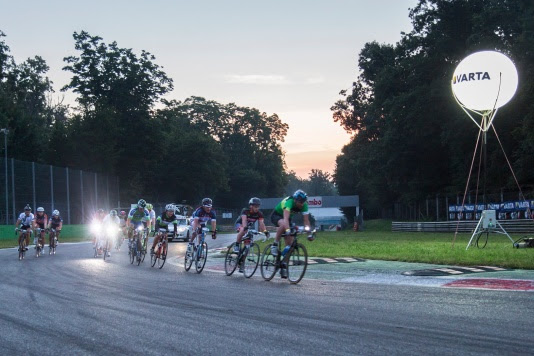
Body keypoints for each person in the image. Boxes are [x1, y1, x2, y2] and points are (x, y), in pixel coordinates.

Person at [270, 189, 312, 278]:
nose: (302, 204)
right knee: (283, 224)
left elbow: (306, 220)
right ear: (295, 200)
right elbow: (285, 219)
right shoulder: (289, 202)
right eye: (300, 202)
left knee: (289, 245)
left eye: (303, 202)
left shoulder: (304, 206)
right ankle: (275, 244)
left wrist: (309, 233)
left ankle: (283, 265)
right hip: (277, 215)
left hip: (288, 219)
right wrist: (287, 229)